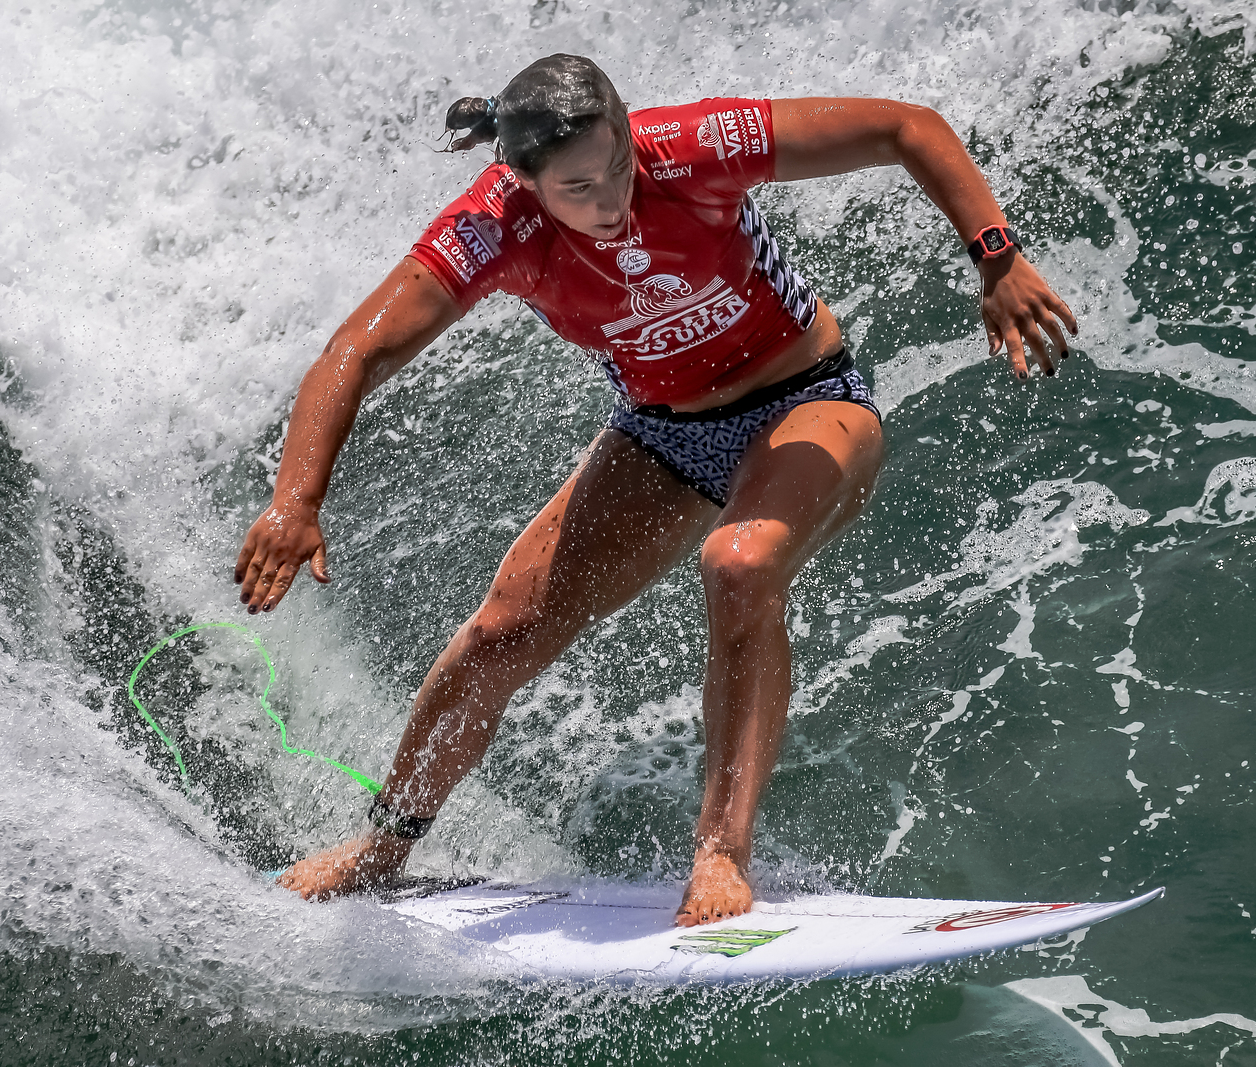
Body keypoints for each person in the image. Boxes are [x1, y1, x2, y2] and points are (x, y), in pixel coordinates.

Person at [235, 55, 1075, 927]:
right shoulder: (492, 229)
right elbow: (354, 351)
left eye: (620, 168)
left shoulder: (691, 149)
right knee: (498, 635)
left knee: (740, 562)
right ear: (523, 183)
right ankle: (383, 846)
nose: (613, 201)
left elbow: (906, 126)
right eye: (579, 188)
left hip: (809, 399)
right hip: (661, 434)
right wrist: (296, 499)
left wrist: (998, 261)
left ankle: (720, 853)